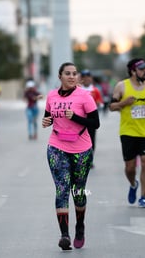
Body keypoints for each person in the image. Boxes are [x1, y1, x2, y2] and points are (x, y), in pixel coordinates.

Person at [42, 62, 100, 250]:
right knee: (62, 189)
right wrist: (46, 121)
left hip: (81, 150)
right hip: (57, 147)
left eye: (74, 73)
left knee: (79, 191)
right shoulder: (51, 96)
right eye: (67, 73)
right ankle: (64, 235)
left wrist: (74, 116)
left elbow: (95, 123)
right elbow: (48, 117)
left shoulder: (85, 96)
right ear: (60, 76)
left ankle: (80, 226)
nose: (72, 76)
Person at [109, 58, 145, 208]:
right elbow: (111, 106)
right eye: (141, 69)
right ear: (133, 71)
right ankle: (133, 184)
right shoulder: (121, 86)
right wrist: (122, 103)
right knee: (130, 167)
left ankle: (143, 197)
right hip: (128, 132)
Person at [80, 69, 103, 163]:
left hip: (91, 119)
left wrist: (96, 104)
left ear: (91, 78)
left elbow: (100, 103)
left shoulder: (95, 90)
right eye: (84, 77)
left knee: (91, 139)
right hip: (80, 119)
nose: (86, 79)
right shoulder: (78, 89)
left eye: (88, 77)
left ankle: (90, 159)